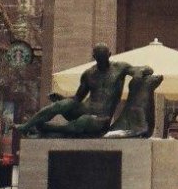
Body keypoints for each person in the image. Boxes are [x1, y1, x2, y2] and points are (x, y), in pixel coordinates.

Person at [17, 44, 149, 137]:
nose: (102, 61)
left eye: (104, 58)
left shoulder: (120, 68)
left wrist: (143, 71)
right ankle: (27, 126)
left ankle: (51, 128)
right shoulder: (89, 74)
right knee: (64, 104)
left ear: (109, 55)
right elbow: (77, 98)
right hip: (85, 108)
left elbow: (141, 69)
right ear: (94, 57)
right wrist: (62, 98)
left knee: (84, 120)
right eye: (99, 58)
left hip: (101, 118)